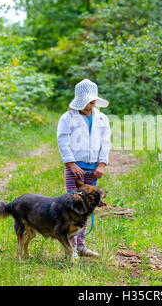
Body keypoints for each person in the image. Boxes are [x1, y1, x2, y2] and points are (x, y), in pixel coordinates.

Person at [56, 78, 111, 258]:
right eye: (86, 103)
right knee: (73, 206)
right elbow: (63, 141)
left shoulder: (102, 119)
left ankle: (81, 246)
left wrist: (101, 164)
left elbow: (105, 142)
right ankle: (70, 247)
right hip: (75, 168)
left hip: (93, 168)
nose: (89, 106)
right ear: (79, 101)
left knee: (88, 207)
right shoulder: (68, 118)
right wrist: (71, 163)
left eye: (92, 102)